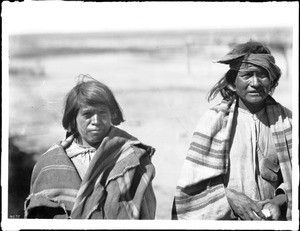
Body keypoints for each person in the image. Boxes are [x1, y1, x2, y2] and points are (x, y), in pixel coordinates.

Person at [172, 41, 292, 220]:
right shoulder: (213, 121)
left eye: (262, 75)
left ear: (272, 81)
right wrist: (229, 197)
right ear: (232, 82)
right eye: (247, 75)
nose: (255, 83)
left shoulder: (287, 122)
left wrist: (278, 202)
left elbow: (293, 180)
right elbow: (191, 190)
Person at [24, 75, 156, 219]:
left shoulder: (132, 157)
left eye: (102, 113)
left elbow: (145, 211)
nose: (96, 121)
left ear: (112, 114)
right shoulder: (50, 163)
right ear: (73, 119)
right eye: (87, 114)